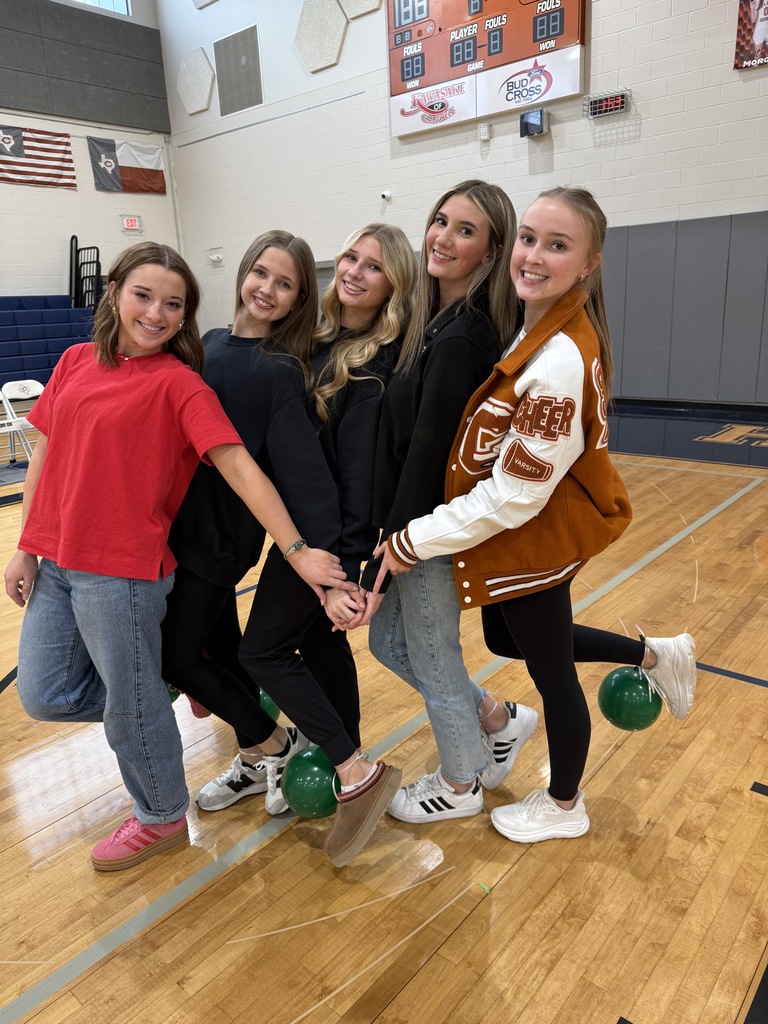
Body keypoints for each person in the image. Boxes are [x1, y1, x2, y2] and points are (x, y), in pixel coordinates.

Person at [3, 241, 347, 872]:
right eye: (143, 296)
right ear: (113, 293)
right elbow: (45, 454)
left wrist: (297, 552)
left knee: (128, 709)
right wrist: (26, 547)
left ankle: (160, 813)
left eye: (173, 304)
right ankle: (146, 693)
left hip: (124, 573)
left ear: (186, 316)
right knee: (46, 694)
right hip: (56, 562)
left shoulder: (180, 384)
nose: (156, 313)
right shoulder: (76, 361)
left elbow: (240, 467)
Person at [373, 186, 697, 843]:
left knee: (552, 675)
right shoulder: (535, 326)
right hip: (519, 534)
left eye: (557, 245)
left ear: (589, 263)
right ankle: (653, 655)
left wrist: (411, 540)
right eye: (530, 239)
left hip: (535, 536)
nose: (535, 255)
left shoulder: (558, 360)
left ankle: (564, 803)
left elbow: (516, 494)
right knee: (506, 641)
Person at [163, 228, 410, 867]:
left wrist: (334, 571)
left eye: (286, 283)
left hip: (258, 540)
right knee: (264, 651)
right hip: (197, 534)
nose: (268, 290)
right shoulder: (217, 344)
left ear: (300, 297)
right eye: (261, 275)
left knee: (220, 653)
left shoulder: (288, 368)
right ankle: (267, 753)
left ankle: (318, 757)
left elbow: (318, 479)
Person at [361, 180, 540, 824]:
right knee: (390, 644)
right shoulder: (431, 321)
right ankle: (495, 716)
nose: (443, 238)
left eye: (466, 230)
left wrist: (401, 539)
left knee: (433, 655)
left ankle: (462, 784)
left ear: (490, 253)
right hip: (412, 523)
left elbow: (432, 450)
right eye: (441, 221)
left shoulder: (465, 335)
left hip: (431, 528)